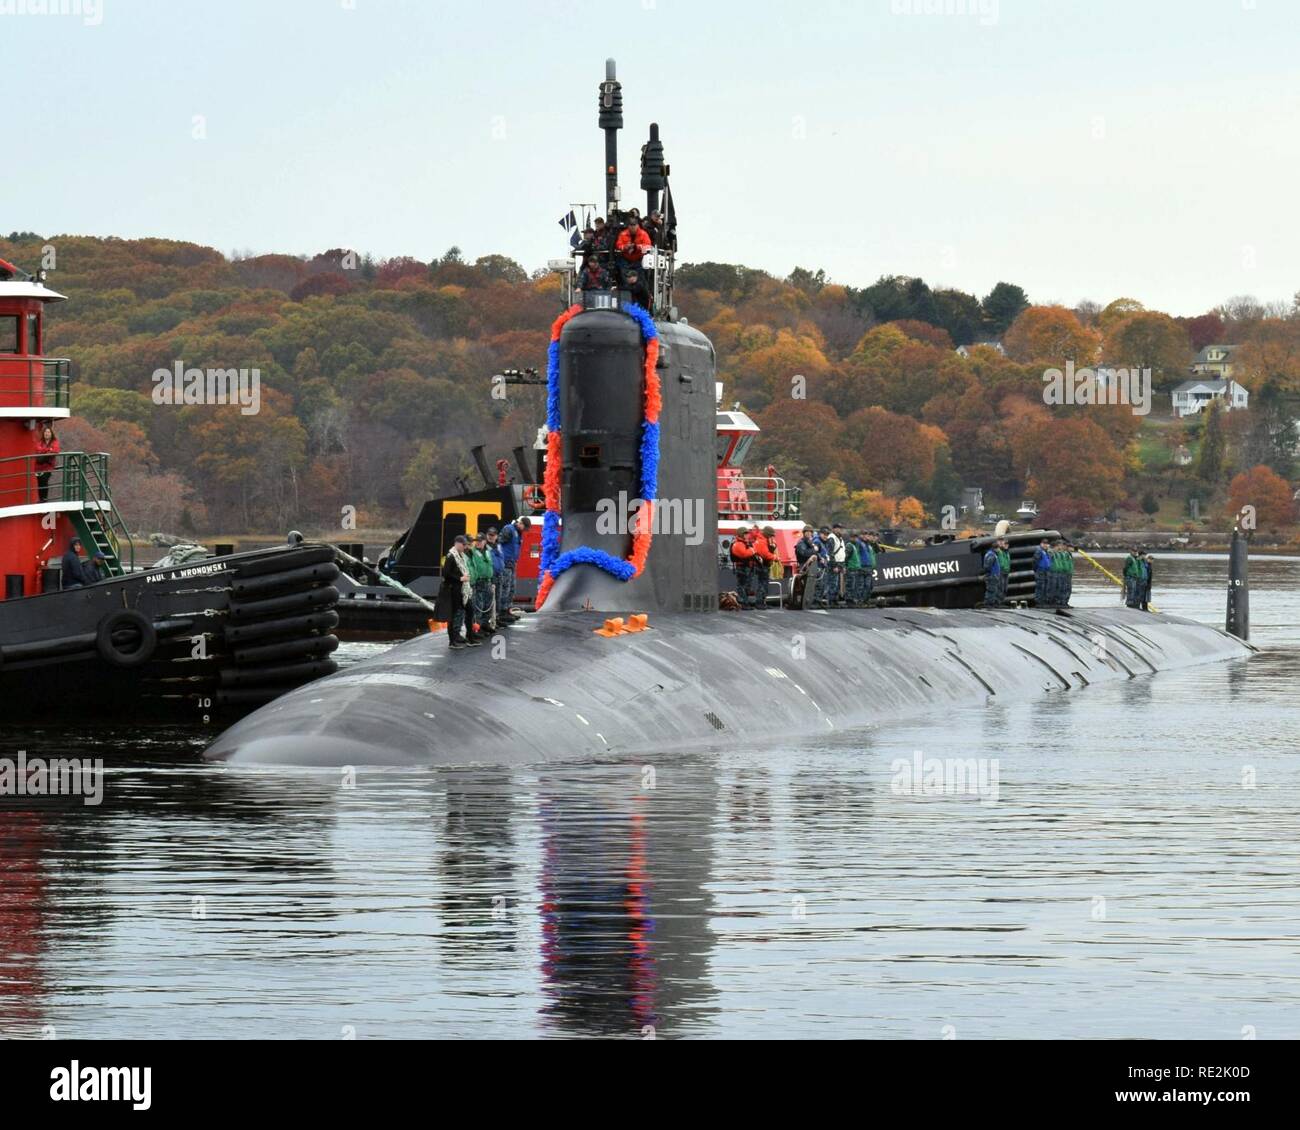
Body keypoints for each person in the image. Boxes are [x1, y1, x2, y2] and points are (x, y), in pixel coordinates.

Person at [434, 535, 477, 650]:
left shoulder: (461, 556)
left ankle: (470, 637)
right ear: (457, 544)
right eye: (463, 545)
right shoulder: (451, 557)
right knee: (452, 616)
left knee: (470, 610)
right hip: (453, 590)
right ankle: (452, 641)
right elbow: (446, 574)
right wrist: (460, 578)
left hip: (462, 591)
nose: (465, 547)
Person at [496, 516, 530, 622]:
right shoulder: (509, 529)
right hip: (506, 563)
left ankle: (507, 610)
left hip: (512, 563)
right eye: (524, 528)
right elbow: (499, 544)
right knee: (505, 588)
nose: (524, 530)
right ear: (520, 524)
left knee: (511, 588)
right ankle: (501, 612)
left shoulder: (518, 532)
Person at [468, 532, 496, 638]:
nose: (478, 543)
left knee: (488, 605)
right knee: (479, 606)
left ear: (484, 541)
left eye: (480, 541)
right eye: (477, 541)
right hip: (479, 582)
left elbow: (490, 566)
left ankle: (485, 624)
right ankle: (477, 627)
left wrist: (492, 581)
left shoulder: (487, 552)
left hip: (487, 581)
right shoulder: (473, 552)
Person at [729, 528, 759, 609]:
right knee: (742, 586)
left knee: (746, 586)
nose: (747, 535)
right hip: (742, 568)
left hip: (747, 567)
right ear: (741, 534)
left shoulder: (745, 543)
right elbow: (744, 554)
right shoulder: (737, 544)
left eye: (747, 533)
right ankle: (743, 603)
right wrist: (753, 550)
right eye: (745, 534)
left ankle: (745, 603)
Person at [34, 423, 59, 503]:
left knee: (44, 480)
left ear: (51, 434)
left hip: (48, 466)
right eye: (45, 432)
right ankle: (41, 499)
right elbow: (37, 450)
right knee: (40, 482)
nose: (46, 434)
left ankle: (44, 499)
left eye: (48, 432)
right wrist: (48, 450)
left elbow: (55, 450)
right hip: (38, 467)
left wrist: (43, 451)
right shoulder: (40, 442)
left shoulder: (55, 442)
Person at [982, 538, 1009, 608]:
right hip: (992, 575)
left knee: (993, 590)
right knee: (991, 590)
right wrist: (991, 574)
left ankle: (991, 603)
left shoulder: (992, 554)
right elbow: (987, 567)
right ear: (995, 548)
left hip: (994, 575)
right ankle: (988, 604)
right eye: (998, 548)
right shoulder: (991, 555)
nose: (998, 550)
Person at [1033, 537, 1053, 608]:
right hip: (1040, 571)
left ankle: (1044, 601)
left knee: (1046, 587)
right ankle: (1039, 602)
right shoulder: (1039, 551)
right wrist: (1037, 570)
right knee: (1040, 587)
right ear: (1041, 544)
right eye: (1044, 543)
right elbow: (1035, 562)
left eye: (1047, 544)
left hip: (1047, 571)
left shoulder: (1048, 552)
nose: (1045, 545)